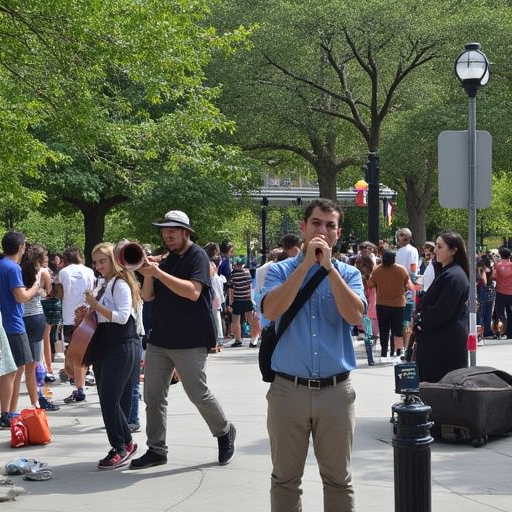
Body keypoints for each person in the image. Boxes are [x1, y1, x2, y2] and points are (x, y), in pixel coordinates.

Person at [260, 198, 366, 512]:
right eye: (316, 223)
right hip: (287, 391)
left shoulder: (348, 274)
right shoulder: (278, 270)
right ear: (304, 228)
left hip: (336, 391)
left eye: (329, 225)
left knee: (338, 480)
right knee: (285, 479)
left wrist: (329, 269)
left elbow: (355, 316)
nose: (323, 230)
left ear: (338, 232)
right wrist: (305, 265)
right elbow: (271, 309)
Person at [130, 210, 235, 470]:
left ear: (186, 232)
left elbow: (192, 291)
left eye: (173, 231)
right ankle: (156, 449)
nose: (167, 235)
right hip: (161, 338)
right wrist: (149, 275)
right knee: (153, 396)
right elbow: (148, 297)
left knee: (197, 393)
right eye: (165, 231)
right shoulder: (165, 258)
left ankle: (224, 432)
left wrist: (159, 272)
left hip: (190, 339)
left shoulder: (197, 255)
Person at [83, 242, 141, 469]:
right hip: (107, 344)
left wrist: (96, 306)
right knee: (115, 399)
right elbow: (104, 316)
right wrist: (88, 313)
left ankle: (123, 445)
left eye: (102, 261)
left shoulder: (120, 284)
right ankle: (122, 444)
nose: (98, 266)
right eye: (96, 262)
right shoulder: (105, 284)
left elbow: (122, 316)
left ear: (114, 260)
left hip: (121, 344)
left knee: (110, 400)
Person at [413, 231, 469, 383]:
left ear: (453, 250)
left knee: (439, 396)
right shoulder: (448, 273)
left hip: (443, 348)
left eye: (439, 246)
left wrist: (420, 322)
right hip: (438, 345)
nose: (435, 250)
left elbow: (441, 311)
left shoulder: (454, 276)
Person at [0, 231, 41, 428]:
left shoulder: (2, 265)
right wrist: (35, 287)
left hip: (6, 322)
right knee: (13, 370)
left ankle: (9, 410)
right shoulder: (12, 268)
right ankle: (7, 412)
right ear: (20, 248)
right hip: (14, 324)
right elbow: (21, 296)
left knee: (14, 368)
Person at [56, 246, 96, 403]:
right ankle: (85, 377)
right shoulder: (89, 271)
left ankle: (80, 387)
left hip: (70, 316)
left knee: (75, 352)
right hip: (88, 314)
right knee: (85, 349)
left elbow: (61, 294)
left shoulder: (64, 272)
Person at [368, 250, 414, 363]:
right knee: (397, 330)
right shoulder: (401, 269)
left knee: (384, 329)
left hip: (382, 304)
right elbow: (408, 284)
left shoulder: (377, 270)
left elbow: (370, 284)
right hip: (398, 304)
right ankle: (397, 352)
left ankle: (384, 353)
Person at [228, 257, 256, 347]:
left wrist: (230, 301)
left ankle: (238, 340)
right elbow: (250, 286)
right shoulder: (247, 273)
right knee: (250, 320)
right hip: (247, 299)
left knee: (236, 321)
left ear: (236, 264)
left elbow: (230, 288)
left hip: (237, 300)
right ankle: (253, 339)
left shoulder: (233, 275)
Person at [492, 246, 512, 340]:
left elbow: (493, 276)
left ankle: (503, 329)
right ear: (510, 255)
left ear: (500, 255)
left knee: (500, 313)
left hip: (500, 293)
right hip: (511, 293)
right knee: (510, 312)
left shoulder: (497, 265)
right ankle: (510, 333)